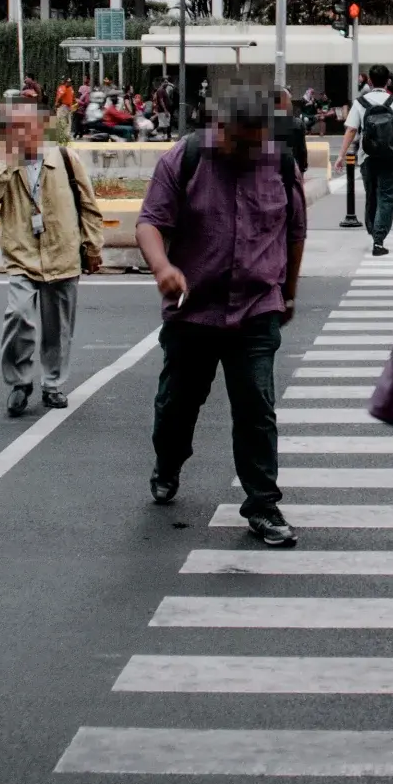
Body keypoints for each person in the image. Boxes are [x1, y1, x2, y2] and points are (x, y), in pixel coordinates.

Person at [135, 83, 307, 546]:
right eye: (242, 140)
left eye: (258, 140)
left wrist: (287, 294)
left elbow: (295, 232)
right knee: (177, 406)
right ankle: (168, 464)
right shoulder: (185, 158)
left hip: (256, 309)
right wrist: (163, 268)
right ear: (220, 127)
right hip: (193, 310)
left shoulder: (279, 161)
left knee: (256, 407)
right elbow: (150, 221)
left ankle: (263, 505)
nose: (251, 150)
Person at [0, 101, 106, 417]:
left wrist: (93, 247)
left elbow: (89, 206)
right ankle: (19, 383)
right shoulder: (5, 165)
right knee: (17, 315)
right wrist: (5, 165)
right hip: (22, 255)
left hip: (62, 252)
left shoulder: (66, 160)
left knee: (58, 328)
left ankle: (53, 385)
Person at [341, 64, 393, 257]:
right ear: (388, 82)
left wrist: (341, 156)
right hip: (391, 157)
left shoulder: (360, 102)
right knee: (388, 197)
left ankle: (373, 230)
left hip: (367, 157)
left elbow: (351, 130)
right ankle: (379, 238)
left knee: (371, 195)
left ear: (369, 81)